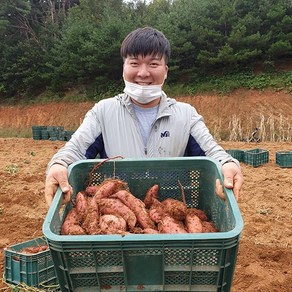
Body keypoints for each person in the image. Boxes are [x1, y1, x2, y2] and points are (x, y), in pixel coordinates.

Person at [45, 26, 243, 206]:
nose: (143, 73)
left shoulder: (185, 115)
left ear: (165, 71)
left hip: (170, 210)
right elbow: (76, 149)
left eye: (153, 64)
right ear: (123, 68)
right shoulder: (103, 112)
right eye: (134, 63)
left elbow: (213, 153)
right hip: (116, 210)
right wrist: (58, 164)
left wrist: (228, 164)